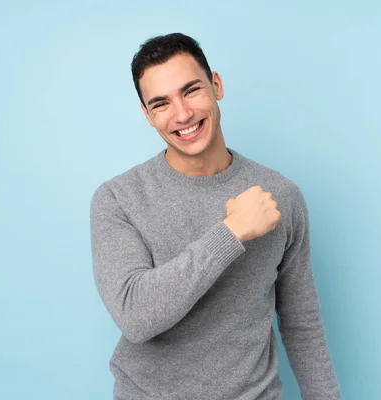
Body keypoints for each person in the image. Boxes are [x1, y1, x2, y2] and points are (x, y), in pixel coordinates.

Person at [90, 32, 340, 400]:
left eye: (191, 90)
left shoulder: (280, 196)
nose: (182, 114)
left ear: (216, 85)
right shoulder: (117, 199)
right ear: (147, 115)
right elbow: (137, 317)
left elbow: (302, 324)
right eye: (161, 103)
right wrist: (232, 231)